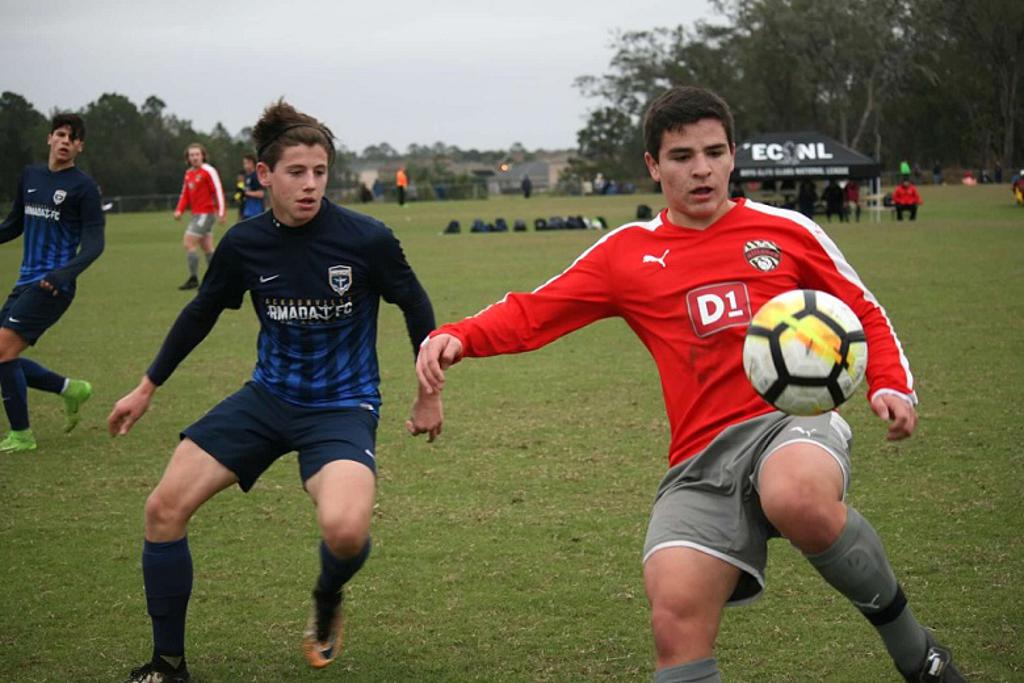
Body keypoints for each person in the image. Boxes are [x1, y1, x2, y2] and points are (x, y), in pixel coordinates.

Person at [416, 86, 963, 682]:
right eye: (681, 156)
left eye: (714, 152)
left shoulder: (786, 230)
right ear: (653, 165)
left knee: (795, 495)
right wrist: (460, 336)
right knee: (673, 616)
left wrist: (890, 383)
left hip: (792, 421)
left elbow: (863, 308)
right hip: (701, 457)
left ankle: (920, 656)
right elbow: (535, 310)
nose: (701, 169)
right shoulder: (627, 253)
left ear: (733, 155)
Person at [108, 100, 443, 683]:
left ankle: (326, 596)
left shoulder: (366, 239)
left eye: (320, 172)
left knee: (345, 531)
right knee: (163, 509)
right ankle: (167, 664)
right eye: (296, 172)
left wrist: (427, 391)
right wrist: (146, 386)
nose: (311, 184)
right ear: (264, 176)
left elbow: (416, 305)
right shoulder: (243, 244)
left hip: (341, 406)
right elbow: (201, 313)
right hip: (265, 400)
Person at [0, 113, 102, 453]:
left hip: (53, 286)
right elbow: (14, 224)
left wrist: (63, 274)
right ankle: (69, 388)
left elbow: (94, 244)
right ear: (49, 138)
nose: (64, 142)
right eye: (59, 134)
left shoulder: (84, 188)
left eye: (71, 138)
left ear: (79, 147)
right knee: (2, 353)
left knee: (2, 351)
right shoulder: (31, 176)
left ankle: (22, 436)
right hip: (25, 280)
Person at [173, 143, 225, 290]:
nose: (194, 157)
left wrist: (221, 212)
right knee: (208, 248)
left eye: (197, 154)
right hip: (196, 214)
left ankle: (193, 278)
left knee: (188, 242)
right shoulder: (189, 173)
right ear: (188, 158)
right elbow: (185, 195)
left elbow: (218, 191)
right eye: (191, 155)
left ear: (203, 156)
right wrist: (179, 210)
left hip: (206, 214)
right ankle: (218, 279)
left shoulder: (208, 171)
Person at [239, 153, 265, 219]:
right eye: (244, 164)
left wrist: (246, 193)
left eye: (246, 163)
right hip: (247, 211)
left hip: (256, 212)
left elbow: (261, 194)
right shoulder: (247, 176)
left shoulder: (256, 176)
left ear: (251, 163)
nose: (244, 166)